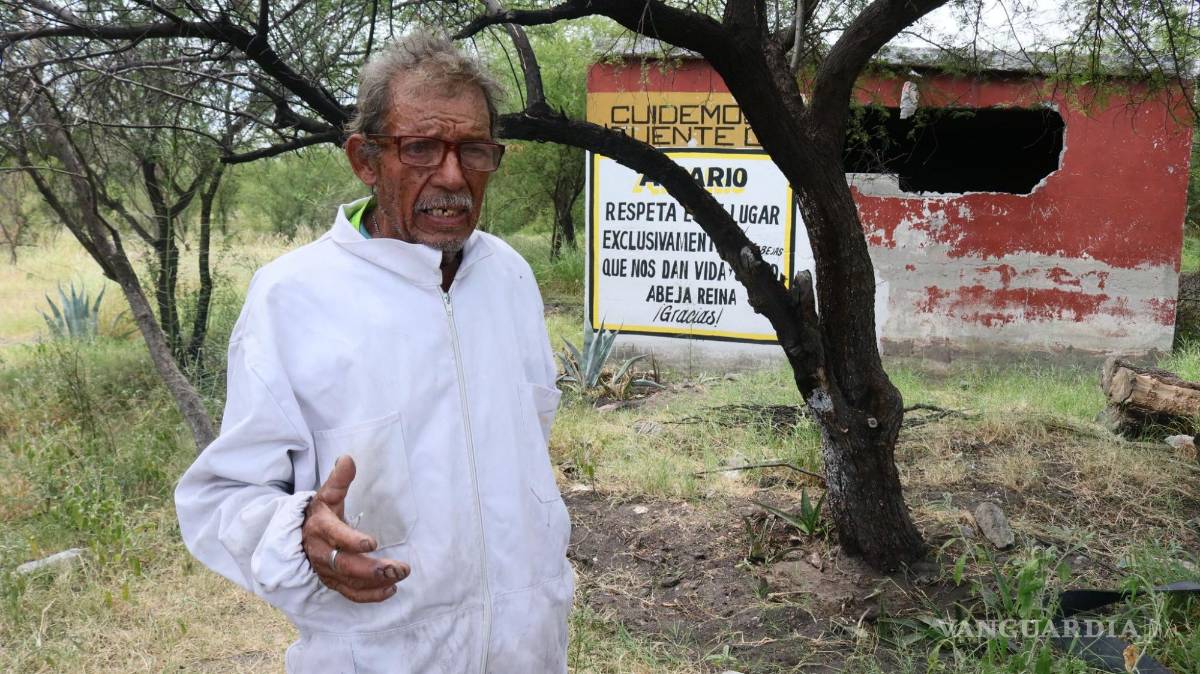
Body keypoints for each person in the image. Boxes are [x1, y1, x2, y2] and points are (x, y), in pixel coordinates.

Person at [175, 34, 572, 673]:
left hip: (529, 648)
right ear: (365, 158)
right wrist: (299, 530)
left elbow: (524, 451)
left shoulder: (510, 278)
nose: (452, 176)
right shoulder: (293, 297)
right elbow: (224, 497)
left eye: (473, 149)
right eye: (420, 149)